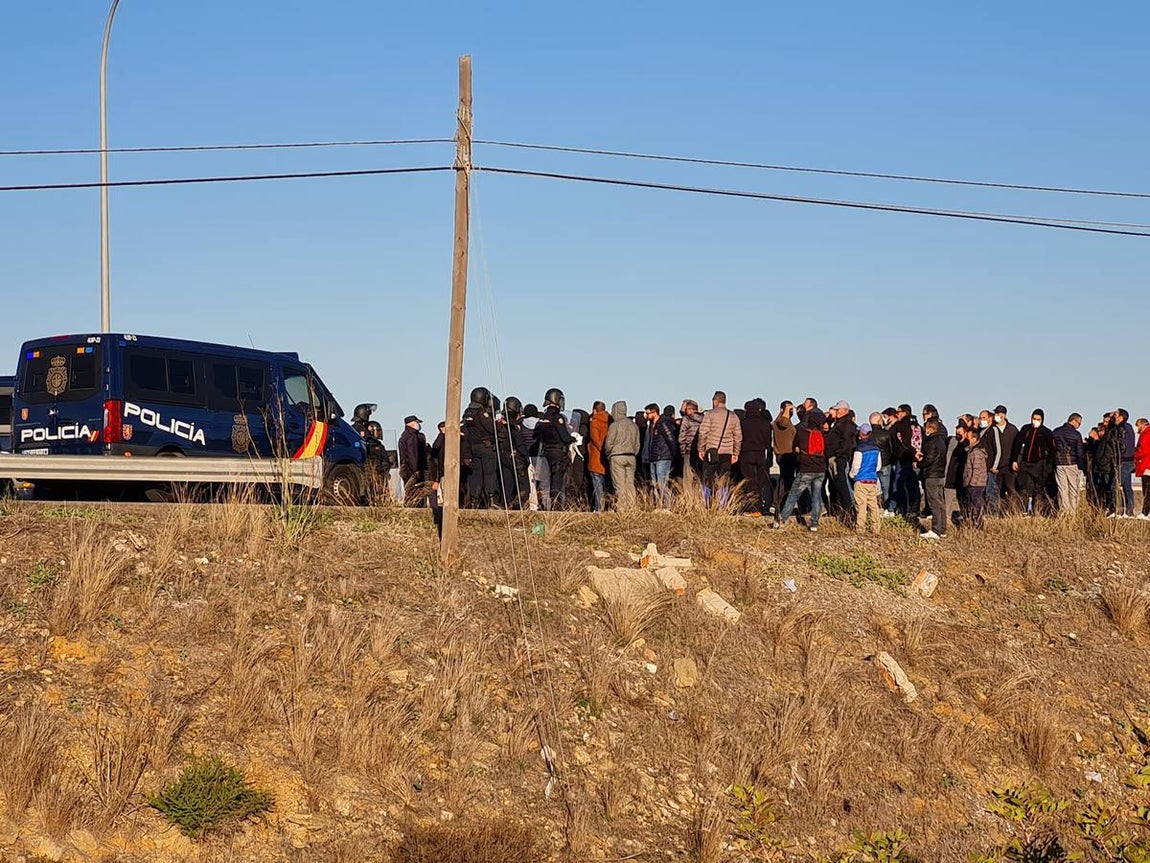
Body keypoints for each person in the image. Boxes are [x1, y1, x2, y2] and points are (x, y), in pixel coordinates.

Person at [774, 413, 827, 532]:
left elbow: (795, 447)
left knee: (793, 495)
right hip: (820, 470)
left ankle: (782, 520)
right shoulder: (823, 435)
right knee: (816, 497)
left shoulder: (802, 433)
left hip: (806, 469)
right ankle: (814, 524)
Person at [695, 391, 743, 508]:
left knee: (707, 479)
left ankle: (707, 504)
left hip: (711, 451)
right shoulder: (733, 416)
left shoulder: (710, 414)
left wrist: (701, 449)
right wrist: (735, 452)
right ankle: (722, 505)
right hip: (727, 452)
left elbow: (703, 432)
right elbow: (738, 436)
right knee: (724, 480)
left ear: (715, 401)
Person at [1011, 409, 1056, 516]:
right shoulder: (1026, 429)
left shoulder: (1046, 432)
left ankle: (1037, 511)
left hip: (1039, 464)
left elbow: (1053, 449)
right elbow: (1017, 444)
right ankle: (1023, 511)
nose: (1035, 421)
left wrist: (1048, 465)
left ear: (1042, 420)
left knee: (1038, 489)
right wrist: (1014, 460)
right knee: (1023, 488)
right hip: (1025, 463)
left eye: (1038, 419)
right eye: (1034, 418)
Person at [536, 388, 574, 510]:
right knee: (557, 480)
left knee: (546, 480)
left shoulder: (543, 418)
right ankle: (556, 505)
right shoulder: (558, 418)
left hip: (546, 451)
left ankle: (544, 504)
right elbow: (564, 436)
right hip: (558, 452)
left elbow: (537, 434)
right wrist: (573, 438)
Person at [462, 387, 499, 508]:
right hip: (485, 447)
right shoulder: (481, 413)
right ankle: (491, 501)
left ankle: (474, 501)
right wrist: (497, 424)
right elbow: (491, 429)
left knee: (475, 475)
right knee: (489, 474)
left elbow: (465, 432)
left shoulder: (467, 413)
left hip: (472, 447)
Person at [824, 400, 857, 525]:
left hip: (839, 458)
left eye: (838, 410)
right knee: (837, 486)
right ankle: (842, 511)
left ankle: (849, 513)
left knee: (842, 486)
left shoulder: (846, 424)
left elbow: (847, 442)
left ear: (845, 410)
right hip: (834, 457)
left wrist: (840, 455)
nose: (836, 412)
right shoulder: (839, 423)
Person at [739, 398, 773, 517]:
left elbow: (739, 439)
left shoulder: (743, 423)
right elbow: (768, 441)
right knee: (760, 481)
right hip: (761, 454)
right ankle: (761, 507)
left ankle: (753, 508)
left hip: (746, 454)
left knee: (750, 481)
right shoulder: (765, 423)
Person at [603, 400, 639, 510]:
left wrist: (608, 453)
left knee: (619, 484)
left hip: (617, 456)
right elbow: (637, 445)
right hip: (631, 456)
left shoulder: (614, 425)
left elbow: (609, 443)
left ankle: (622, 508)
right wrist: (633, 453)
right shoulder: (634, 426)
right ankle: (632, 506)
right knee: (630, 483)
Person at [849, 423, 883, 535]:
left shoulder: (859, 449)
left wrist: (852, 475)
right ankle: (876, 528)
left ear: (861, 434)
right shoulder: (876, 449)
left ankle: (860, 528)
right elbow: (878, 466)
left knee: (861, 505)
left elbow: (856, 466)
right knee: (873, 505)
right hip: (872, 480)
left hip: (861, 480)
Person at [643, 403, 677, 508]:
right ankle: (659, 505)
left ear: (654, 412)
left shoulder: (663, 423)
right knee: (655, 483)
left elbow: (671, 439)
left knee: (662, 483)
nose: (646, 416)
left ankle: (667, 506)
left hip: (663, 457)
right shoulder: (652, 425)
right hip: (653, 457)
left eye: (648, 413)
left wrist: (673, 455)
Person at [919, 419, 948, 539]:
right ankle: (942, 529)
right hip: (940, 475)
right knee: (941, 503)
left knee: (934, 503)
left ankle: (936, 530)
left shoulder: (931, 441)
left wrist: (919, 463)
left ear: (930, 428)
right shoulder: (942, 441)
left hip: (932, 475)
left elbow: (929, 459)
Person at [1052, 413, 1085, 515]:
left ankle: (1064, 512)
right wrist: (1081, 466)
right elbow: (1079, 452)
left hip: (1059, 463)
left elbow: (1053, 448)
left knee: (1062, 489)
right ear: (1074, 421)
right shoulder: (1076, 434)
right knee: (1073, 489)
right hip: (1072, 463)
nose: (1079, 426)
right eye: (1079, 423)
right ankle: (1073, 512)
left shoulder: (1056, 432)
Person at [990, 406, 1019, 514]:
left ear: (1004, 415)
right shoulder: (992, 429)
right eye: (996, 413)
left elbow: (1017, 447)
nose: (997, 416)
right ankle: (998, 513)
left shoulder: (1012, 429)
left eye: (999, 413)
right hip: (995, 467)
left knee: (1011, 490)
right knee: (996, 491)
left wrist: (1016, 461)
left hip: (1009, 466)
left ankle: (1015, 512)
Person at [772, 401, 798, 513]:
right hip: (785, 455)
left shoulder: (781, 422)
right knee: (787, 481)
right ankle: (778, 504)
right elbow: (783, 422)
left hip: (786, 455)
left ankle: (780, 504)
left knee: (786, 479)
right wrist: (787, 409)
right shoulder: (781, 422)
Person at [398, 414, 428, 507]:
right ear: (410, 424)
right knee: (415, 492)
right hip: (413, 469)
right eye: (416, 422)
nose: (418, 424)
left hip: (407, 468)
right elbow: (412, 455)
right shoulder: (411, 437)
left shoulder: (405, 436)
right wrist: (416, 470)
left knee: (410, 491)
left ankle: (411, 507)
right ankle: (416, 509)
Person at [868, 411, 894, 515]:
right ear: (879, 421)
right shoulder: (886, 434)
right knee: (886, 487)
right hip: (885, 462)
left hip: (871, 464)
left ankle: (871, 509)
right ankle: (888, 509)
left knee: (870, 488)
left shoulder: (868, 435)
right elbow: (891, 448)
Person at [962, 425, 988, 528]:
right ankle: (975, 523)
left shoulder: (976, 452)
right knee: (973, 505)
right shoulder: (971, 451)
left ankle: (979, 524)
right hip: (973, 483)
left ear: (974, 438)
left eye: (968, 437)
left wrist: (972, 482)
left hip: (976, 484)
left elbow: (976, 469)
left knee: (976, 504)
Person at [587, 401, 610, 512]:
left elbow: (596, 440)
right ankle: (607, 507)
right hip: (607, 459)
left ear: (594, 410)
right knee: (606, 484)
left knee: (597, 485)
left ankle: (599, 508)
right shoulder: (610, 421)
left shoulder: (594, 422)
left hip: (596, 458)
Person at [678, 399, 703, 493]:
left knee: (688, 478)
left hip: (688, 451)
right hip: (700, 452)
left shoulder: (686, 419)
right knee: (698, 476)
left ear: (690, 409)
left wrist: (682, 451)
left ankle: (689, 498)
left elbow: (681, 437)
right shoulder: (704, 419)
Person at [1115, 409, 1137, 517]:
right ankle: (1128, 510)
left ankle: (1128, 510)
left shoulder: (1122, 428)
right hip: (1129, 459)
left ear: (1121, 417)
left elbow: (1122, 445)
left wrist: (1118, 454)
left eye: (1116, 415)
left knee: (1124, 486)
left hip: (1125, 460)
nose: (1114, 417)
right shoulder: (1128, 427)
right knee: (1126, 486)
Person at [1134, 417, 1150, 520]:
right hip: (1146, 465)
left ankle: (1145, 513)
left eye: (1137, 425)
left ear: (1142, 424)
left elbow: (1143, 450)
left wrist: (1134, 455)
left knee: (1147, 490)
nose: (1137, 428)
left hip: (1146, 465)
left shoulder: (1146, 434)